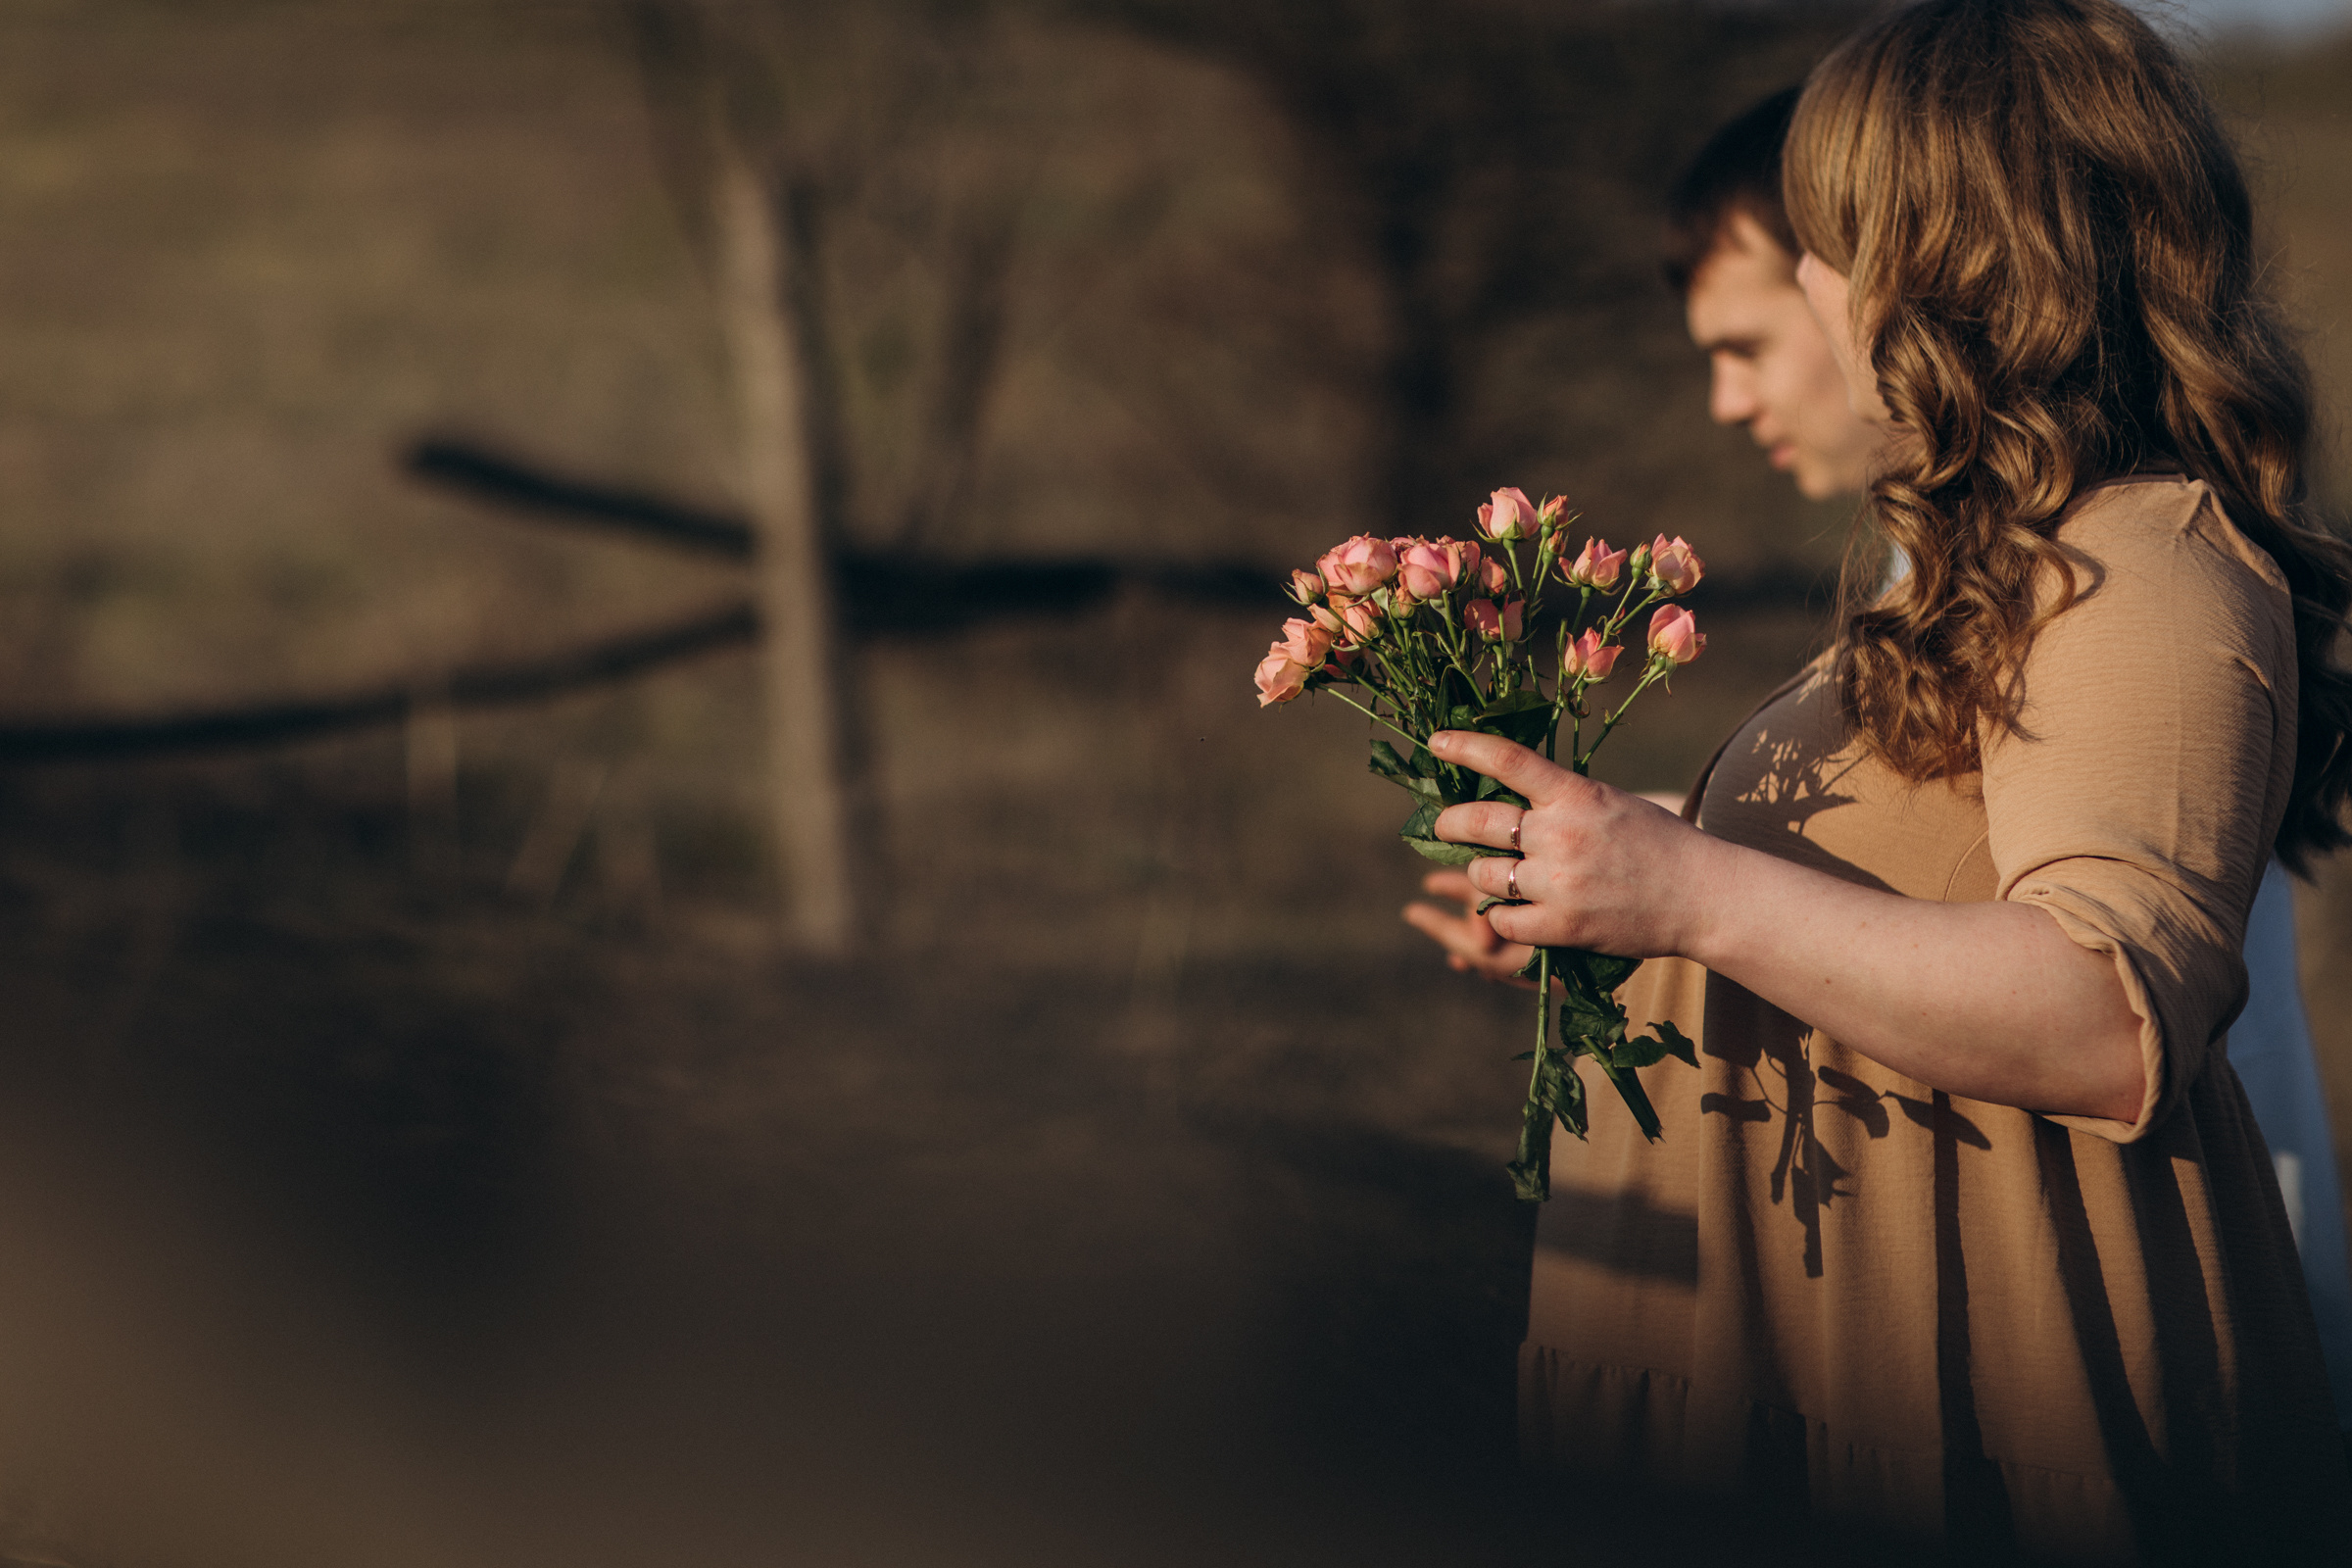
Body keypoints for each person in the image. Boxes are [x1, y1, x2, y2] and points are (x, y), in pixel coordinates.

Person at [1400, 0, 2352, 1554]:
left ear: (1940, 265)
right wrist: (1618, 887)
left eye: (1833, 238)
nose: (1820, 283)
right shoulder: (1998, 570)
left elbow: (2105, 1014)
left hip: (1959, 1427)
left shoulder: (2144, 566)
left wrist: (1691, 888)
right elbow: (1908, 899)